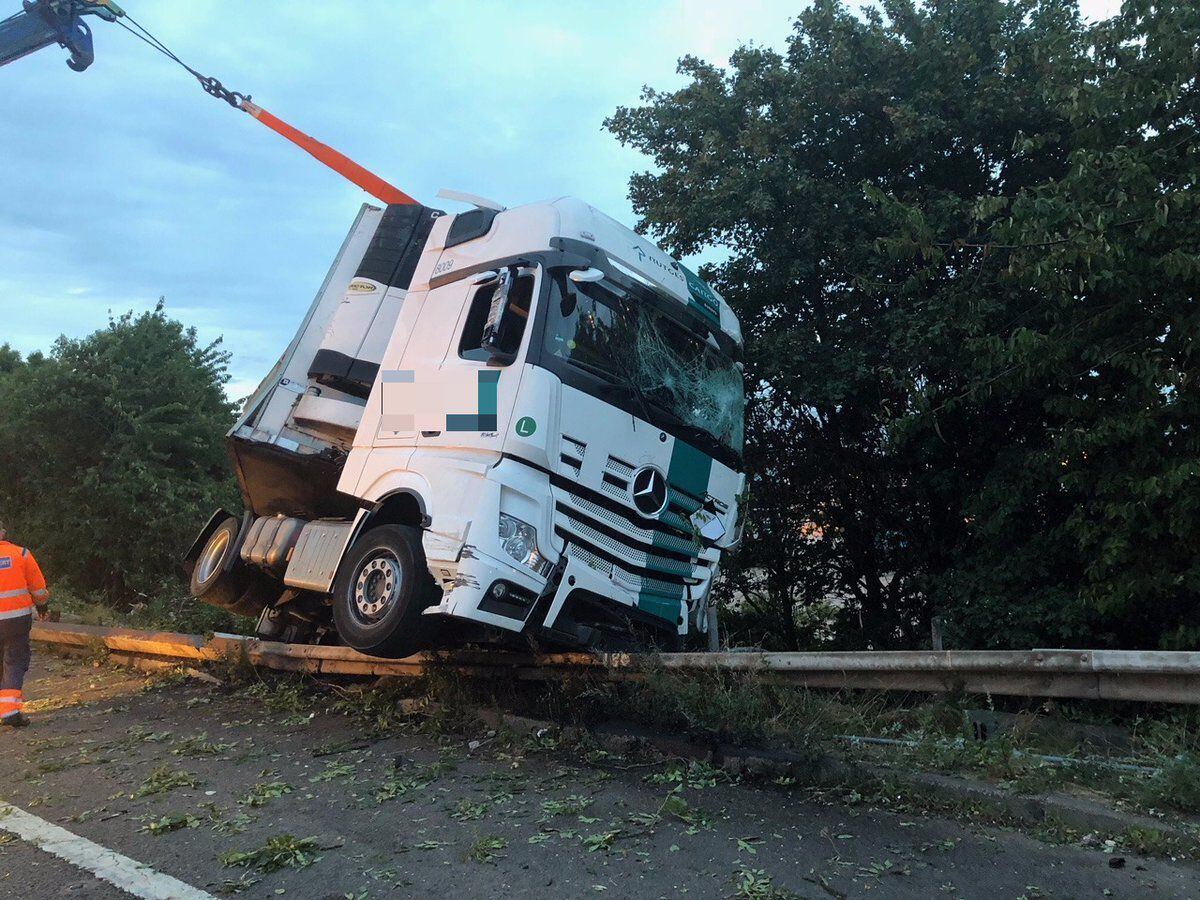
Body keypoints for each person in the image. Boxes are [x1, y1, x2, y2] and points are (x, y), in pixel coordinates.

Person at [0, 519, 50, 727]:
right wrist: (42, 607)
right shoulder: (21, 555)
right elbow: (39, 589)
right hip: (16, 621)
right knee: (14, 661)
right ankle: (10, 712)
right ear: (2, 532)